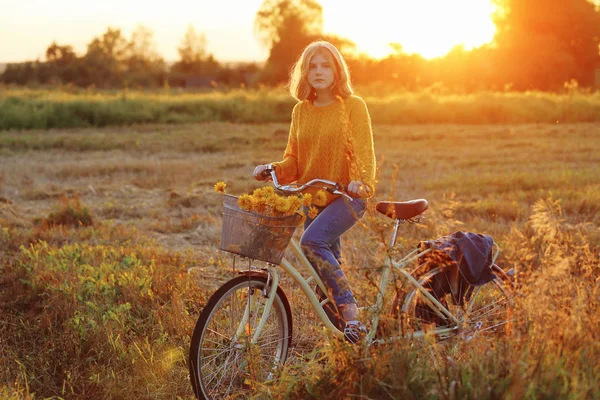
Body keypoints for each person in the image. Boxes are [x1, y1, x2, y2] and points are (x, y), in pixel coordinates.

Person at [253, 40, 376, 343]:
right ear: (304, 74)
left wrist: (362, 182)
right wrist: (273, 170)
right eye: (312, 66)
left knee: (312, 241)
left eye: (325, 65)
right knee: (325, 270)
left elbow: (364, 152)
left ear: (337, 70)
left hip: (347, 198)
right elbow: (294, 160)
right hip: (313, 200)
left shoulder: (353, 106)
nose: (319, 71)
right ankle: (348, 343)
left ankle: (351, 312)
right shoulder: (301, 112)